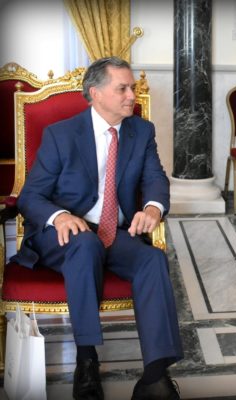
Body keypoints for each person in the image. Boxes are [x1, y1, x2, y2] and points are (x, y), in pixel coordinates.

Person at [11, 57, 183, 400]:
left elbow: (155, 178)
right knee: (85, 244)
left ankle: (154, 376)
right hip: (61, 235)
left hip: (113, 232)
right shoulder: (61, 134)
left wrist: (152, 207)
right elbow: (30, 196)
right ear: (96, 93)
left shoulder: (141, 131)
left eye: (132, 87)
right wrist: (60, 215)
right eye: (123, 88)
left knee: (152, 259)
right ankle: (86, 359)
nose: (132, 95)